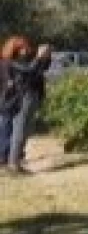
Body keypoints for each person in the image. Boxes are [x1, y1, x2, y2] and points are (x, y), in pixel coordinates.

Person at [1, 36, 53, 175]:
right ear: (16, 49)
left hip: (31, 96)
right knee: (18, 130)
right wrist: (38, 58)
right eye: (23, 47)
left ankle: (15, 161)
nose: (26, 49)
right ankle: (12, 163)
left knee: (25, 130)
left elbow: (41, 68)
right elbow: (28, 70)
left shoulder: (26, 59)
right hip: (21, 98)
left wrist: (46, 57)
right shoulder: (11, 62)